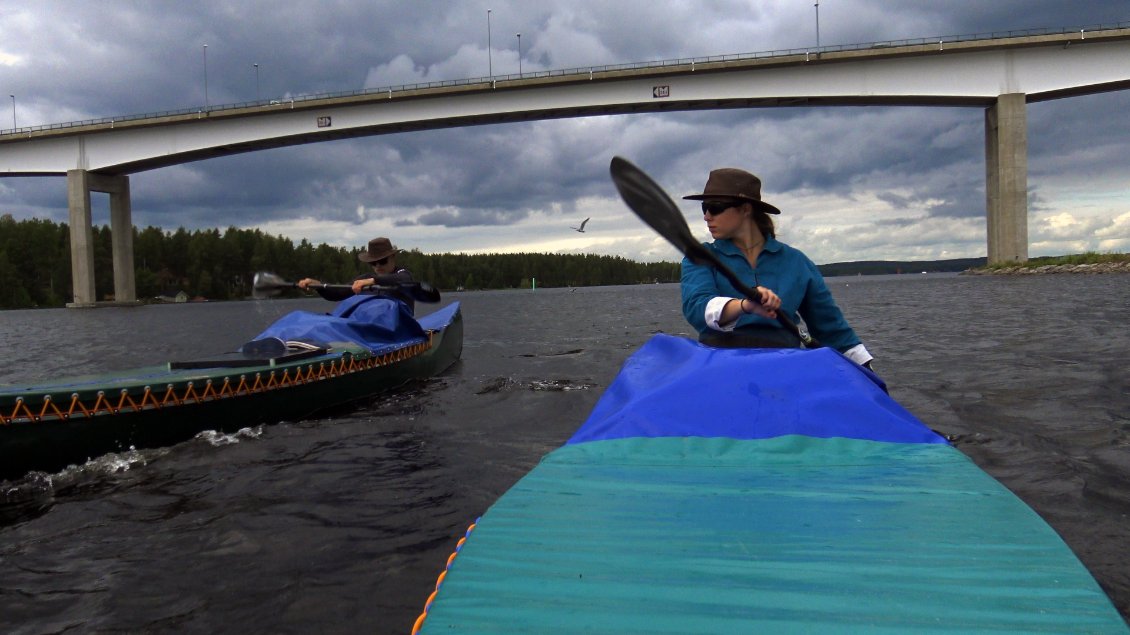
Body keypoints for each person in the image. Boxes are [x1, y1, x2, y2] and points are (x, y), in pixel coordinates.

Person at [680, 167, 874, 369]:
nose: (707, 216)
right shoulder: (700, 257)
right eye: (704, 207)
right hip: (720, 367)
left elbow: (831, 329)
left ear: (746, 209)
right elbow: (697, 307)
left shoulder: (796, 262)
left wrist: (866, 370)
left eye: (715, 207)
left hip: (784, 368)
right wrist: (745, 305)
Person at [297, 236, 417, 314]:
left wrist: (373, 280)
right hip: (374, 329)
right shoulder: (364, 279)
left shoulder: (402, 274)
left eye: (383, 261)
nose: (378, 266)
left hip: (400, 328)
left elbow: (403, 279)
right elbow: (336, 294)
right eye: (373, 263)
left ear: (392, 257)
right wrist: (317, 285)